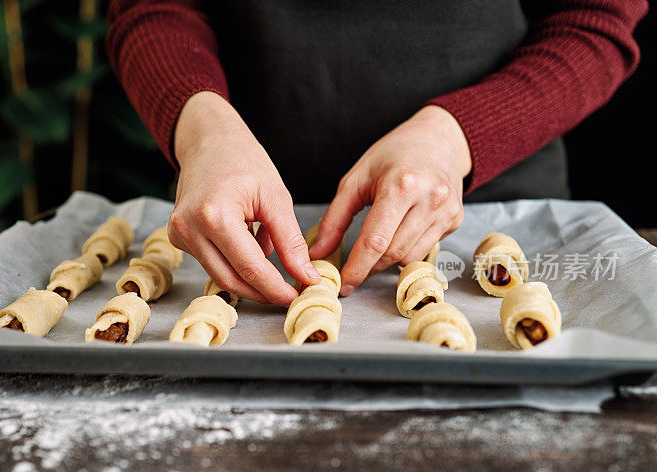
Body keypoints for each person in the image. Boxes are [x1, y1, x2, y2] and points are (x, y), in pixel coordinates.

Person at [106, 0, 646, 306]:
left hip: (493, 217)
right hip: (231, 223)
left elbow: (595, 21)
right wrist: (203, 130)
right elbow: (154, 8)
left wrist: (456, 136)